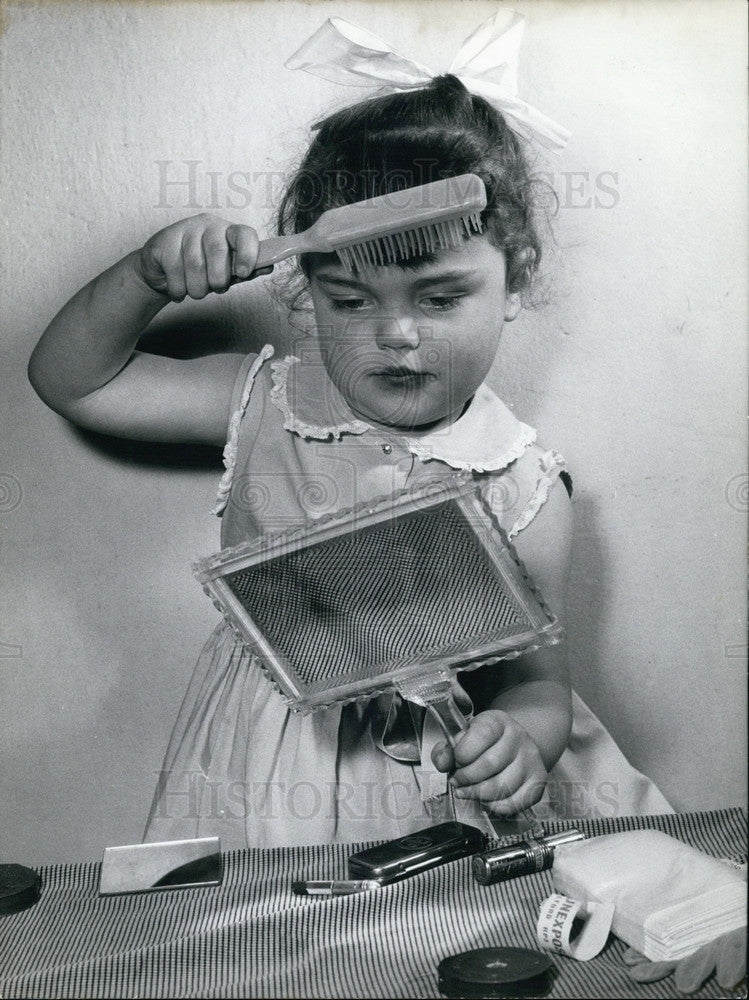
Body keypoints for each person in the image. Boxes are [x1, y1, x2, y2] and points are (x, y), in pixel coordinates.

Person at [28, 19, 672, 851]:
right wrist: (148, 275)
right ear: (307, 286)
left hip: (437, 785)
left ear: (515, 280)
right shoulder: (267, 400)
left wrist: (523, 740)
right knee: (260, 927)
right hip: (267, 771)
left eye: (438, 298)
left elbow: (538, 684)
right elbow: (75, 381)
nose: (396, 335)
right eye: (351, 300)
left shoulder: (523, 487)